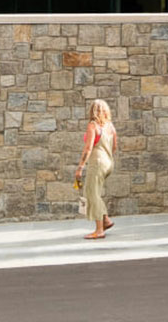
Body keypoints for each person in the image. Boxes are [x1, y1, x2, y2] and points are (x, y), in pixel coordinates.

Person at [75, 98, 117, 240]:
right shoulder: (110, 126)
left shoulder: (93, 126)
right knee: (94, 192)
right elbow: (115, 146)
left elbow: (88, 149)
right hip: (108, 162)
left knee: (92, 194)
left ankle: (99, 230)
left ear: (92, 110)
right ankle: (106, 220)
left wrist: (80, 167)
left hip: (97, 162)